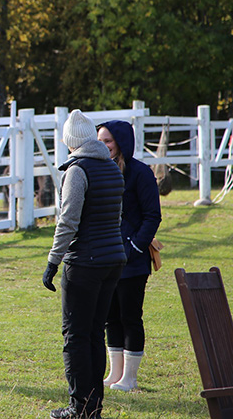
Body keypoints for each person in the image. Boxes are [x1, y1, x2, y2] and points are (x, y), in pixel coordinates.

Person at [42, 109, 126, 419]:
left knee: (75, 336)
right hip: (112, 260)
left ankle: (79, 407)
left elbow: (68, 221)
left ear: (70, 141)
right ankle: (93, 407)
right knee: (93, 334)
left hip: (85, 263)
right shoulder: (112, 168)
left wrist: (53, 261)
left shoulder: (77, 170)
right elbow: (116, 216)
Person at [97, 120, 162, 392]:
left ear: (121, 142)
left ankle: (130, 378)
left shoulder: (140, 173)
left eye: (108, 141)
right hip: (107, 258)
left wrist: (135, 247)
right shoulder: (100, 169)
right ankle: (116, 374)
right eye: (99, 141)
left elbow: (152, 216)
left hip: (133, 261)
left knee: (130, 316)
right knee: (111, 316)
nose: (103, 146)